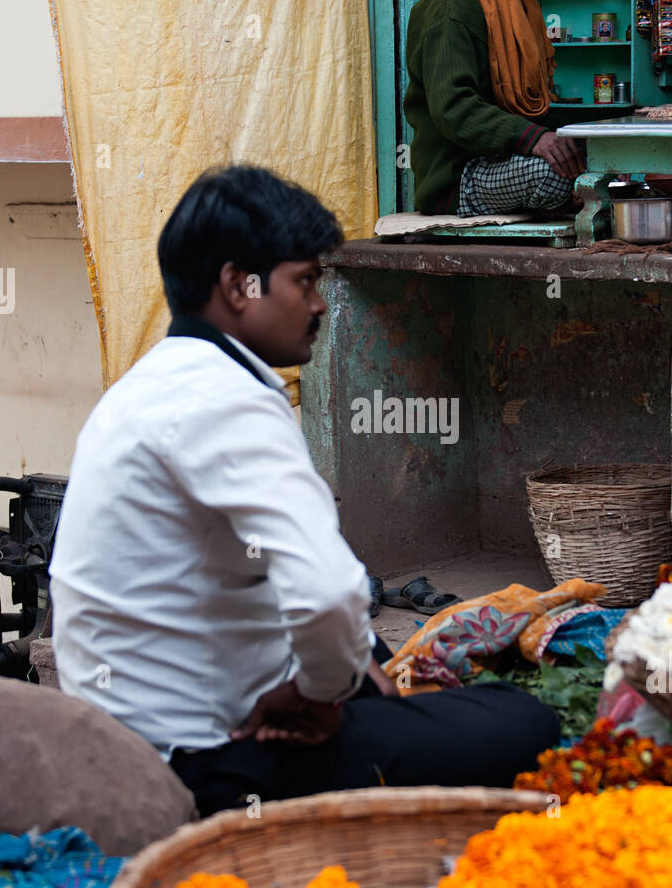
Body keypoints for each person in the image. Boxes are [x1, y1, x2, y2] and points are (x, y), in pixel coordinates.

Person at [49, 165, 560, 816]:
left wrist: (344, 676)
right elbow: (325, 592)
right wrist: (321, 700)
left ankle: (346, 707)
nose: (318, 304)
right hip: (200, 763)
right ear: (239, 285)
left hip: (134, 732)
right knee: (522, 723)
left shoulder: (160, 382)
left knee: (363, 651)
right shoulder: (225, 402)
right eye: (305, 282)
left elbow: (313, 597)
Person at [404, 0, 585, 217]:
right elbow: (453, 107)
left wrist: (615, 126)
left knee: (601, 160)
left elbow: (529, 105)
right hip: (459, 179)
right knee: (553, 174)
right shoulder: (452, 3)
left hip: (503, 160)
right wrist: (534, 139)